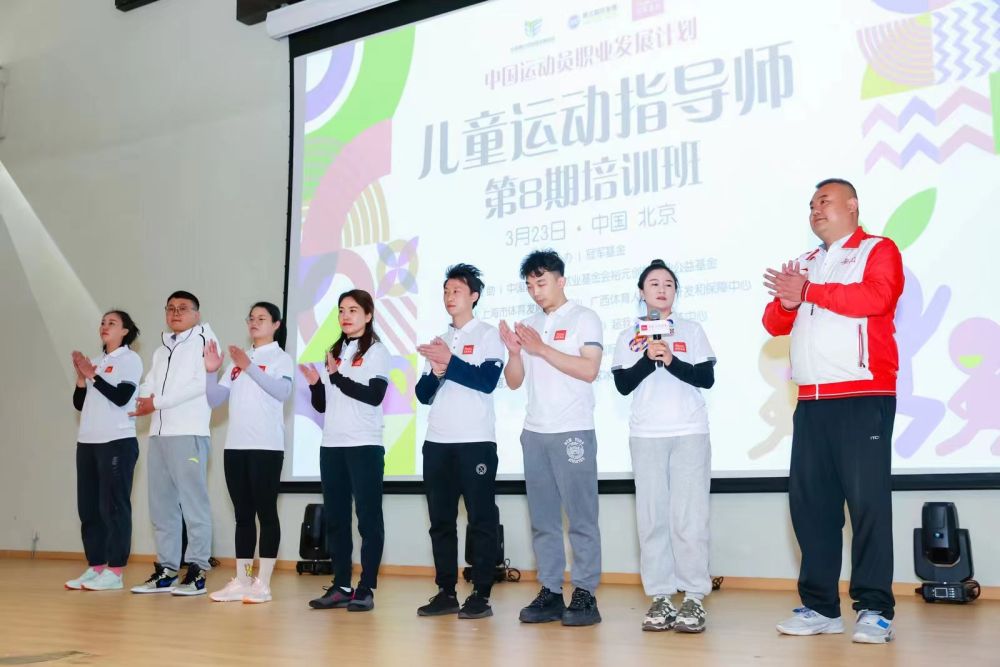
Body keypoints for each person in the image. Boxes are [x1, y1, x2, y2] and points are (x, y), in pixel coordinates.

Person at [763, 178, 904, 644]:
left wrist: (809, 290)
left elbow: (877, 299)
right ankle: (821, 607)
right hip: (811, 401)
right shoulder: (806, 262)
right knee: (811, 508)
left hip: (862, 396)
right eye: (811, 205)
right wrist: (789, 300)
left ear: (852, 205)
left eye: (824, 201)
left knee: (867, 506)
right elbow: (774, 322)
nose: (815, 210)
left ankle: (875, 609)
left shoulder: (877, 249)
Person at [499, 249, 603, 627]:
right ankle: (551, 591)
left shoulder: (584, 318)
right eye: (529, 285)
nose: (535, 291)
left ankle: (585, 592)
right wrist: (515, 353)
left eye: (541, 283)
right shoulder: (528, 324)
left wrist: (541, 349)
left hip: (572, 429)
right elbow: (514, 382)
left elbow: (589, 369)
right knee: (543, 520)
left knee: (581, 518)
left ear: (561, 281)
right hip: (535, 433)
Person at [611, 260, 717, 633]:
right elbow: (623, 385)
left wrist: (671, 359)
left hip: (689, 432)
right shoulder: (628, 336)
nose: (661, 288)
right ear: (641, 292)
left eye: (668, 283)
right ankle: (660, 596)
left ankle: (693, 597)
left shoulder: (691, 330)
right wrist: (648, 358)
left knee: (689, 518)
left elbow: (706, 377)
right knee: (652, 517)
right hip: (646, 435)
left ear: (675, 292)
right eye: (654, 283)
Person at [414, 263, 505, 620]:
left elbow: (487, 381)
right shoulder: (440, 340)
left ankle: (481, 593)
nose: (449, 296)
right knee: (440, 520)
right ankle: (446, 591)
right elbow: (423, 395)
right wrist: (438, 370)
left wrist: (449, 362)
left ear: (474, 296)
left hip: (475, 441)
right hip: (437, 441)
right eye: (446, 291)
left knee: (481, 519)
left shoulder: (487, 335)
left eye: (457, 291)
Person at [302, 290, 390, 612]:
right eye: (341, 310)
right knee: (337, 519)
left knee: (368, 519)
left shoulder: (377, 351)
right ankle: (341, 585)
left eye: (353, 310)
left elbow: (374, 395)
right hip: (332, 445)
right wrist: (317, 383)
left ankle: (366, 588)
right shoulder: (334, 351)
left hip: (364, 444)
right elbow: (323, 405)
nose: (345, 316)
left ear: (368, 315)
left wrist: (336, 377)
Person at [130, 290, 219, 596]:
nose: (176, 313)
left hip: (189, 433)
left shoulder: (205, 341)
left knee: (193, 504)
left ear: (197, 313)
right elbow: (149, 382)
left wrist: (156, 402)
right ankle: (167, 569)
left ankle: (197, 570)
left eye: (183, 308)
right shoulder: (161, 349)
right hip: (158, 435)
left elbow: (199, 384)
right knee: (162, 506)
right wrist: (144, 398)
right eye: (170, 308)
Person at [205, 302, 293, 604]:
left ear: (276, 325)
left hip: (266, 447)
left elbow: (282, 392)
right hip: (235, 447)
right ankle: (242, 581)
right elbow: (215, 399)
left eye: (261, 318)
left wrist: (249, 367)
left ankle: (263, 584)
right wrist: (211, 372)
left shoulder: (281, 358)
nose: (254, 322)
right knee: (242, 516)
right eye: (251, 318)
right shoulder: (238, 360)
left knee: (266, 513)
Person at [65, 310, 143, 591]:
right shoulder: (96, 362)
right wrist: (82, 377)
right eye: (102, 322)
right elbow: (79, 403)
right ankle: (96, 566)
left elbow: (122, 397)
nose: (105, 326)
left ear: (125, 331)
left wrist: (93, 376)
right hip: (88, 442)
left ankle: (115, 570)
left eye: (112, 323)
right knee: (89, 507)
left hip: (117, 441)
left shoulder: (130, 359)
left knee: (113, 507)